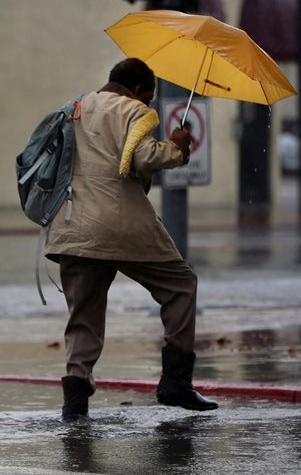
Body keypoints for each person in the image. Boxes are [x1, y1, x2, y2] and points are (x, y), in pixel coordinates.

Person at [44, 57, 218, 419]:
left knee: (84, 315)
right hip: (119, 223)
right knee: (181, 286)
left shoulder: (76, 108)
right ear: (139, 89)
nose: (150, 104)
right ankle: (176, 380)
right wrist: (177, 148)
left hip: (71, 225)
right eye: (149, 96)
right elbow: (138, 159)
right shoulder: (135, 111)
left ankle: (75, 402)